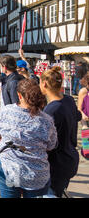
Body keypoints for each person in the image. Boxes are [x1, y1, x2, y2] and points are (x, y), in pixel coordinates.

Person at [0, 78, 58, 198]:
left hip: (11, 170)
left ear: (19, 95)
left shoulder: (6, 112)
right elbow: (51, 145)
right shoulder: (46, 120)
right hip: (36, 175)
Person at [40, 66, 82, 198]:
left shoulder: (50, 111)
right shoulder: (69, 100)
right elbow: (78, 116)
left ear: (44, 84)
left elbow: (44, 141)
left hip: (57, 163)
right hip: (70, 158)